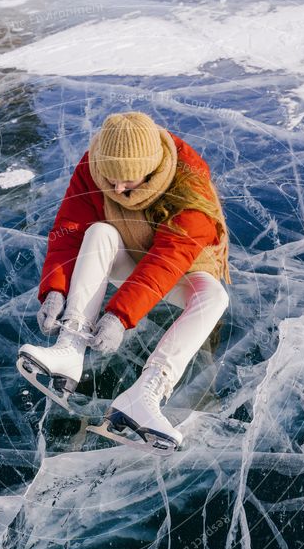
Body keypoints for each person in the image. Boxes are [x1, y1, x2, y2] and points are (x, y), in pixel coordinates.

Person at [18, 111, 231, 449]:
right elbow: (70, 228)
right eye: (110, 179)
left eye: (128, 181)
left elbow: (166, 261)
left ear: (151, 170)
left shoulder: (191, 184)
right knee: (100, 231)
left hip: (183, 269)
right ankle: (69, 348)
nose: (116, 188)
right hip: (130, 251)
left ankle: (147, 393)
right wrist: (55, 289)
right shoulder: (96, 164)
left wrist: (119, 316)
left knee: (215, 297)